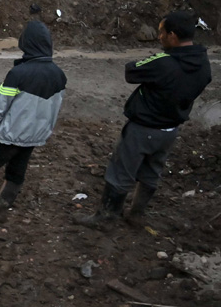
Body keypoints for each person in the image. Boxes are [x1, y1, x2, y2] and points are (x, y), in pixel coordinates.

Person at [77, 11, 212, 227]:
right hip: (170, 130)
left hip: (143, 128)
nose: (159, 37)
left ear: (173, 35)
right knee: (151, 172)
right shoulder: (203, 63)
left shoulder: (164, 62)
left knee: (121, 172)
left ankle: (107, 216)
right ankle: (137, 213)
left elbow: (132, 72)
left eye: (162, 32)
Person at [0, 21, 67, 227]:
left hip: (7, 136)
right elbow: (54, 108)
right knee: (17, 171)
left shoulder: (18, 74)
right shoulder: (59, 75)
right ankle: (0, 208)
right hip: (33, 137)